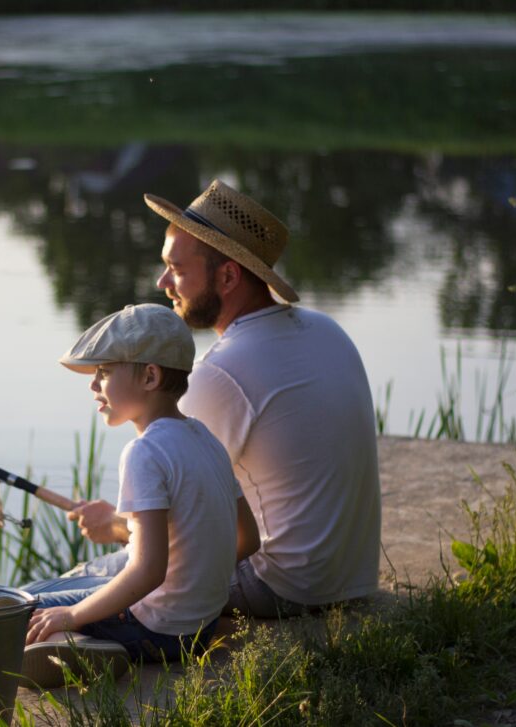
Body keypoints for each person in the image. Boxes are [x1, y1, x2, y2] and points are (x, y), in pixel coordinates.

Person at [70, 179, 381, 617]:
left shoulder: (223, 371)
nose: (162, 283)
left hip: (282, 586)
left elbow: (180, 532)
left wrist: (116, 526)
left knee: (87, 580)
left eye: (176, 269)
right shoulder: (326, 330)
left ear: (229, 275)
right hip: (352, 579)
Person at [19, 303, 259, 689]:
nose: (93, 385)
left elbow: (148, 570)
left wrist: (71, 616)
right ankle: (84, 639)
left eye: (105, 372)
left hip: (154, 628)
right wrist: (197, 571)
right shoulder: (205, 439)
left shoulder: (144, 452)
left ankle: (79, 643)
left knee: (13, 610)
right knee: (36, 594)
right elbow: (249, 539)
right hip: (199, 626)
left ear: (150, 376)